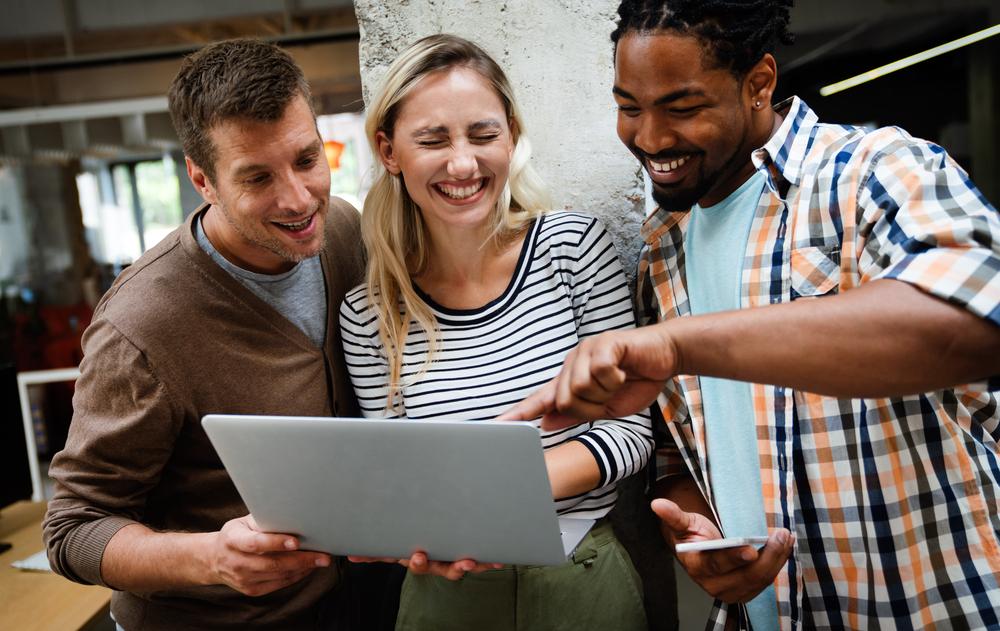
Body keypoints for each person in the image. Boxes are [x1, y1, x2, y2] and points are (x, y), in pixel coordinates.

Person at [502, 1, 1000, 629]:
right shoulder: (661, 249)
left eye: (682, 108)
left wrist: (679, 344)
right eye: (629, 107)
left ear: (759, 83)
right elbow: (680, 457)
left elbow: (976, 321)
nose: (650, 138)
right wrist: (694, 534)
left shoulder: (871, 171)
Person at [42, 39, 391, 631]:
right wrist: (211, 559)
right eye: (257, 177)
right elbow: (72, 528)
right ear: (202, 180)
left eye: (307, 159)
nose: (299, 199)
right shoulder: (141, 324)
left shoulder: (341, 232)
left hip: (345, 606)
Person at [338, 34, 653, 631]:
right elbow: (403, 473)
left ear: (511, 133)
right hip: (444, 593)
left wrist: (493, 499)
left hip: (580, 578)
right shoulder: (370, 314)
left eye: (483, 135)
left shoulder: (571, 249)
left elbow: (632, 431)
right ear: (388, 149)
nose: (463, 164)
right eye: (433, 140)